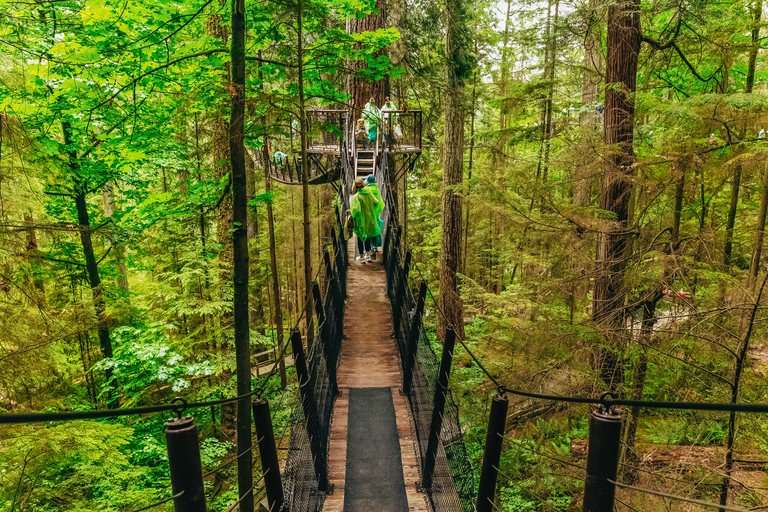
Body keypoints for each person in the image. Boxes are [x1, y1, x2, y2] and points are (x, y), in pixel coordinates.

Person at [350, 177, 381, 263]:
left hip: (360, 220)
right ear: (363, 185)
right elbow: (376, 202)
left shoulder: (356, 197)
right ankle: (368, 255)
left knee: (360, 238)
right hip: (370, 219)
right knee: (368, 237)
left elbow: (355, 211)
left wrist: (352, 214)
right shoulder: (369, 193)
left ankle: (361, 257)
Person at [365, 174, 385, 259]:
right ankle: (373, 246)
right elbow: (381, 203)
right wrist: (376, 213)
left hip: (367, 215)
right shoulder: (377, 190)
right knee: (374, 229)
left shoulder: (366, 190)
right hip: (375, 215)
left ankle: (367, 251)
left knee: (367, 231)